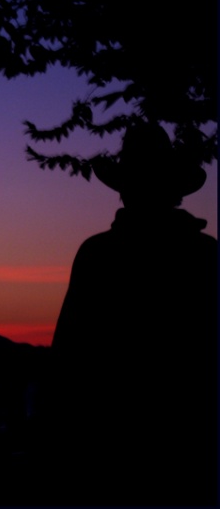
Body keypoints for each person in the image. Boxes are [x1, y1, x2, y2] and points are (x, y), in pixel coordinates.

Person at [48, 120, 217, 503]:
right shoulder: (206, 255)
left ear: (124, 190)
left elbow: (67, 359)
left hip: (108, 446)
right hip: (192, 446)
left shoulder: (98, 254)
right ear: (175, 192)